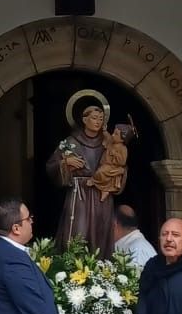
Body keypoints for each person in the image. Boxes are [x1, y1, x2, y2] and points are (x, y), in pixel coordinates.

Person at [46, 89, 137, 253]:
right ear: (84, 119)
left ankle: (100, 269)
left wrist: (112, 176)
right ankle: (74, 269)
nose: (98, 122)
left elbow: (121, 167)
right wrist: (66, 162)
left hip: (101, 194)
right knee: (78, 230)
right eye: (94, 118)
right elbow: (51, 166)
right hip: (80, 193)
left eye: (101, 119)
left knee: (100, 233)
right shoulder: (72, 141)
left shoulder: (110, 142)